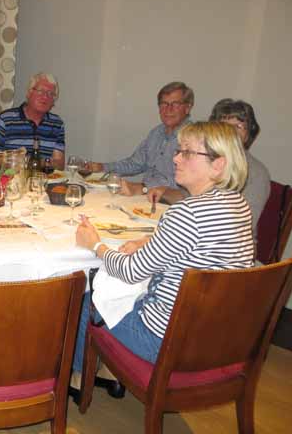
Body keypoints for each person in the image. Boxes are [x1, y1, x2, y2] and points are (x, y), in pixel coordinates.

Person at [72, 122, 254, 392]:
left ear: (218, 165)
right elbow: (203, 246)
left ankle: (77, 380)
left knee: (89, 298)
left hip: (166, 342)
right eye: (179, 151)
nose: (176, 158)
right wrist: (150, 241)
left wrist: (95, 245)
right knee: (129, 293)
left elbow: (130, 271)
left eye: (187, 153)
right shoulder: (238, 204)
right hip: (217, 338)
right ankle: (111, 372)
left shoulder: (186, 213)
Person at [91, 81, 193, 204]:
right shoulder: (156, 132)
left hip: (171, 204)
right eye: (164, 104)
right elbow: (135, 163)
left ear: (187, 108)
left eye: (175, 104)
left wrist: (143, 187)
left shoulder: (194, 139)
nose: (168, 109)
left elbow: (185, 185)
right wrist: (101, 167)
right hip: (145, 199)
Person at [209, 98, 270, 233]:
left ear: (248, 135)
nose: (230, 131)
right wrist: (165, 192)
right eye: (224, 125)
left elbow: (242, 225)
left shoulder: (257, 173)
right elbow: (186, 196)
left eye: (238, 126)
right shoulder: (206, 158)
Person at [0, 72, 65, 170]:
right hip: (11, 178)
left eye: (50, 94)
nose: (45, 97)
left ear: (53, 101)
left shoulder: (57, 124)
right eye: (41, 91)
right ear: (29, 93)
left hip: (42, 179)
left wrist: (33, 162)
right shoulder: (6, 119)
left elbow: (59, 164)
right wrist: (16, 162)